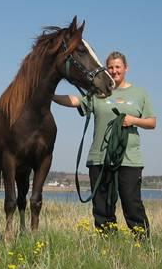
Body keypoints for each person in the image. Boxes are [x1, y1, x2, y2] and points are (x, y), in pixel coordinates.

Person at [53, 51, 156, 236]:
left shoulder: (139, 93)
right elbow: (76, 101)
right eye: (111, 67)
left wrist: (133, 120)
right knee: (102, 206)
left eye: (118, 67)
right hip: (99, 158)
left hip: (128, 159)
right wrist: (50, 96)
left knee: (132, 204)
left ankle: (143, 243)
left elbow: (151, 122)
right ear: (106, 68)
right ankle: (108, 245)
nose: (114, 71)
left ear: (126, 68)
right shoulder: (98, 91)